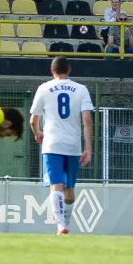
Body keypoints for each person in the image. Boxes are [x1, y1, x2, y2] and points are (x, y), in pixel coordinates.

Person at [29, 57, 95, 234]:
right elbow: (87, 121)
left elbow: (33, 120)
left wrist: (37, 133)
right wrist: (88, 148)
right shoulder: (81, 89)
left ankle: (61, 225)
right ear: (69, 70)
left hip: (52, 144)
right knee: (69, 191)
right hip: (73, 145)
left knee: (55, 185)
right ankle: (65, 223)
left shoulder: (44, 88)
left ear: (52, 71)